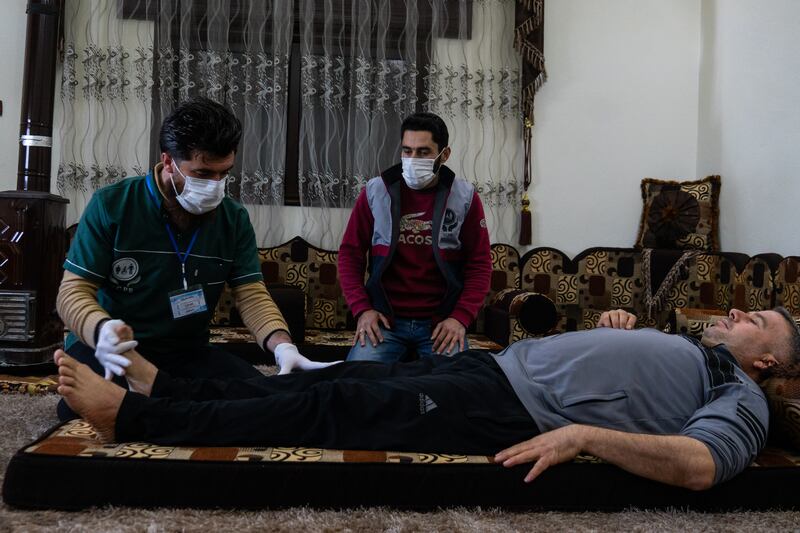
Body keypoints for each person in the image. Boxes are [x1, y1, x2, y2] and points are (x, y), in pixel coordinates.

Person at [55, 307, 800, 489]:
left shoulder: (739, 393)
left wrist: (582, 437)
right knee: (323, 378)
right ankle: (161, 380)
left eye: (756, 321)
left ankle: (136, 415)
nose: (737, 315)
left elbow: (703, 464)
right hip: (494, 369)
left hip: (512, 411)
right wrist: (623, 329)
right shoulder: (692, 350)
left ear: (768, 360)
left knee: (328, 410)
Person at [56, 97, 334, 420]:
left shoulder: (233, 218)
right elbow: (71, 293)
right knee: (79, 410)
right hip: (114, 349)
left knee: (261, 401)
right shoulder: (112, 206)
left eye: (224, 173)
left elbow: (252, 294)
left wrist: (283, 346)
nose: (215, 187)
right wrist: (99, 329)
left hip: (185, 350)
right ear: (168, 162)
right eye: (202, 173)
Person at [338, 112, 492, 362]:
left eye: (423, 152)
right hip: (384, 323)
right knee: (357, 384)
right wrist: (362, 310)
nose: (412, 159)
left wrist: (460, 318)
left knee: (454, 389)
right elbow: (349, 254)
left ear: (445, 155)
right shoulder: (375, 192)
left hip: (440, 325)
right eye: (407, 151)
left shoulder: (464, 197)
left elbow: (480, 263)